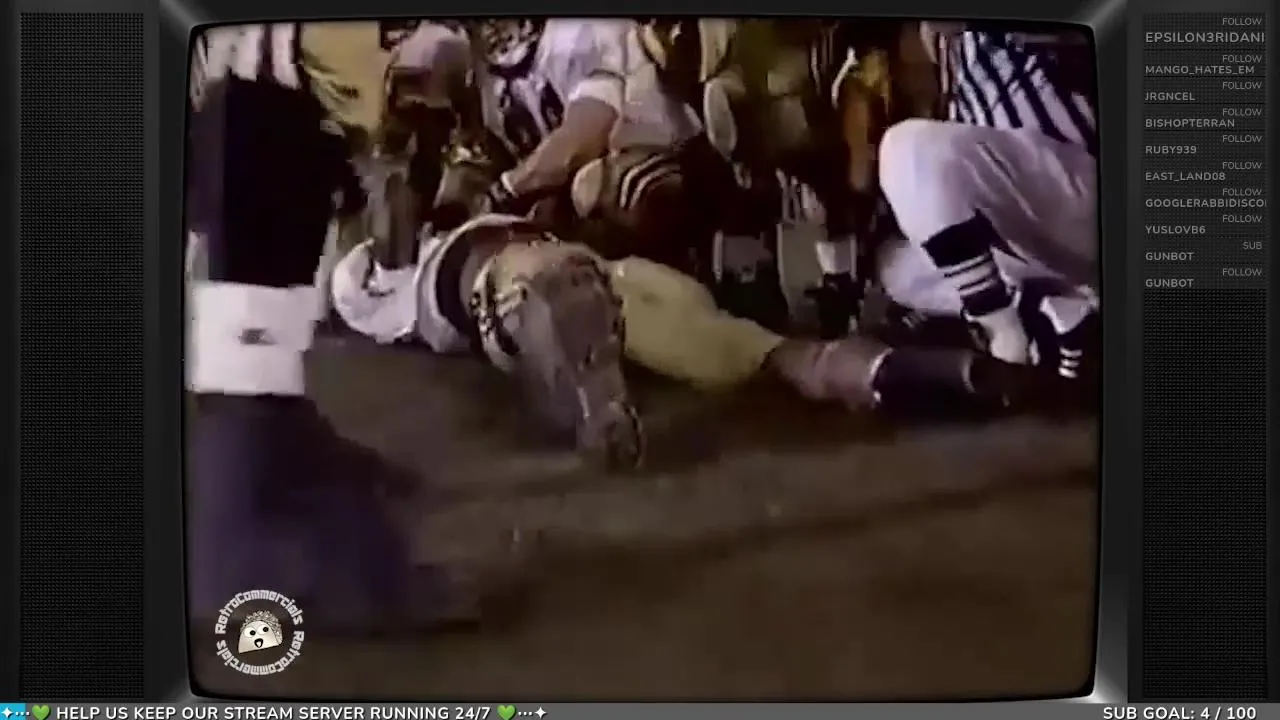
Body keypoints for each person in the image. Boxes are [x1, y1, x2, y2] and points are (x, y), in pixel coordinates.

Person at [185, 21, 499, 637]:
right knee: (270, 114)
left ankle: (272, 433)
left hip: (269, 74)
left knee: (287, 126)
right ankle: (238, 533)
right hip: (272, 78)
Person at [875, 22, 1098, 379]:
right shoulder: (944, 48)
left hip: (1082, 190)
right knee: (897, 267)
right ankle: (1058, 308)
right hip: (1031, 230)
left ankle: (1006, 345)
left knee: (908, 147)